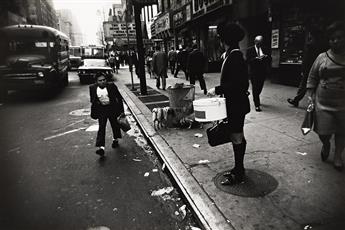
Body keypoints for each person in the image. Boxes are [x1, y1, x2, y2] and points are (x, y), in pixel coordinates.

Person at [207, 23, 250, 185]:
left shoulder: (235, 57)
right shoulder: (231, 54)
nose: (219, 41)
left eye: (220, 38)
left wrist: (217, 89)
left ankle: (239, 173)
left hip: (236, 106)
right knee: (237, 136)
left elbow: (239, 85)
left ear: (224, 40)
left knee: (237, 137)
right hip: (234, 104)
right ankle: (238, 168)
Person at [307, 21, 345, 171]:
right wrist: (310, 96)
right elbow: (312, 77)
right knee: (323, 132)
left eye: (339, 37)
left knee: (342, 131)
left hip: (343, 103)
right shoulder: (322, 57)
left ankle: (338, 156)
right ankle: (326, 144)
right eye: (332, 38)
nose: (336, 41)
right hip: (323, 103)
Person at [287, 29, 328, 107]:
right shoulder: (322, 45)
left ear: (311, 35)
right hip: (318, 67)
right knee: (316, 85)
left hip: (309, 68)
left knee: (303, 85)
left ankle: (296, 100)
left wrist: (303, 69)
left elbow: (306, 59)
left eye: (309, 34)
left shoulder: (310, 45)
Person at [89, 72, 124, 157]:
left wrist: (121, 111)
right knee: (101, 127)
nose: (102, 82)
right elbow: (92, 99)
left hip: (112, 108)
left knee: (114, 125)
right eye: (100, 80)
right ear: (96, 82)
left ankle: (115, 139)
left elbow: (119, 98)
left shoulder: (111, 86)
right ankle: (101, 148)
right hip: (101, 110)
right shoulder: (92, 88)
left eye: (104, 80)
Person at [246, 35, 271, 112]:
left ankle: (256, 96)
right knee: (255, 88)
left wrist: (266, 57)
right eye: (258, 42)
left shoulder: (264, 49)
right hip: (254, 72)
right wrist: (255, 59)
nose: (260, 44)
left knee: (260, 87)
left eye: (261, 42)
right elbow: (247, 61)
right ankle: (257, 104)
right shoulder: (250, 50)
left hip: (262, 72)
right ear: (255, 42)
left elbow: (270, 58)